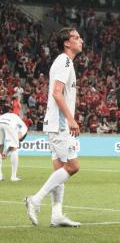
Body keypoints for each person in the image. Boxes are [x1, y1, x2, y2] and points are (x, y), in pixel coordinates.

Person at [25, 27, 83, 227]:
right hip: (59, 124)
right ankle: (35, 199)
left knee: (59, 169)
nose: (80, 40)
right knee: (73, 166)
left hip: (55, 123)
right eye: (76, 37)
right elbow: (57, 93)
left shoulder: (65, 62)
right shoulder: (64, 61)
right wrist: (70, 119)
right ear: (67, 43)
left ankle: (56, 215)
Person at [0, 112, 28, 181]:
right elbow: (16, 141)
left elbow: (6, 144)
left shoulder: (10, 116)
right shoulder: (24, 128)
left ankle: (0, 176)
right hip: (9, 124)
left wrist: (4, 152)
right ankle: (13, 177)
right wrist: (7, 152)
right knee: (14, 149)